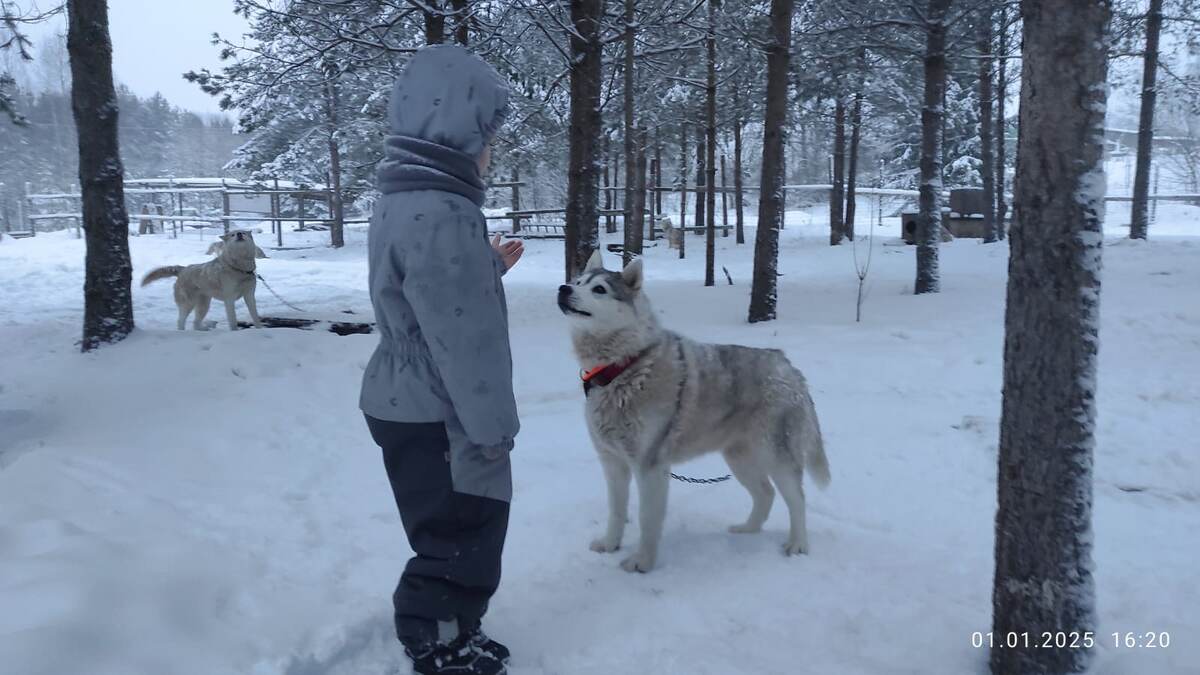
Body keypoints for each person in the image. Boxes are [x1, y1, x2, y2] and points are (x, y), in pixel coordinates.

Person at [360, 44, 524, 675]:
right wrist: (492, 429)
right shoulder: (448, 214)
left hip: (401, 395)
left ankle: (452, 628)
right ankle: (437, 638)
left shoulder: (401, 197)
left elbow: (418, 292)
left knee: (440, 525)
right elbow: (466, 342)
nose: (491, 151)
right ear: (454, 131)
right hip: (445, 410)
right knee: (464, 531)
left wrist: (483, 268)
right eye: (487, 136)